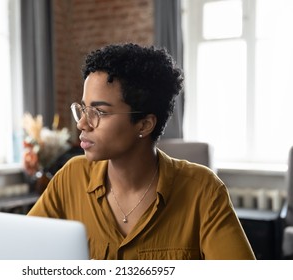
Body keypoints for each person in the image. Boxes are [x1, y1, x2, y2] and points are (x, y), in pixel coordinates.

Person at [27, 43, 255, 260]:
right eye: (84, 109)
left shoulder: (203, 191)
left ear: (144, 125)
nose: (82, 124)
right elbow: (22, 250)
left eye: (100, 112)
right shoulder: (71, 178)